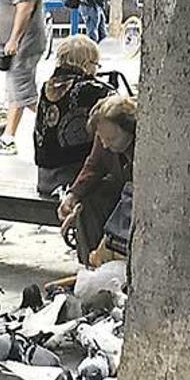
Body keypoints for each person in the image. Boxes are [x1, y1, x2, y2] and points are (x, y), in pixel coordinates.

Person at [57, 95, 136, 265]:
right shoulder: (103, 139)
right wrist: (73, 196)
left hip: (135, 198)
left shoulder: (141, 143)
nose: (106, 144)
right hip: (120, 190)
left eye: (112, 139)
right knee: (88, 203)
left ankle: (106, 259)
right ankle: (89, 263)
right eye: (102, 138)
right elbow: (94, 166)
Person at [34, 35, 112, 195]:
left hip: (44, 178)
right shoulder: (92, 90)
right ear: (87, 63)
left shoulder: (47, 87)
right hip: (72, 178)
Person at [0, 0, 47, 155]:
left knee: (23, 91)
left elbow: (25, 7)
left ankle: (55, 120)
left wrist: (14, 39)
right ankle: (8, 137)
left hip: (23, 45)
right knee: (17, 89)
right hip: (20, 44)